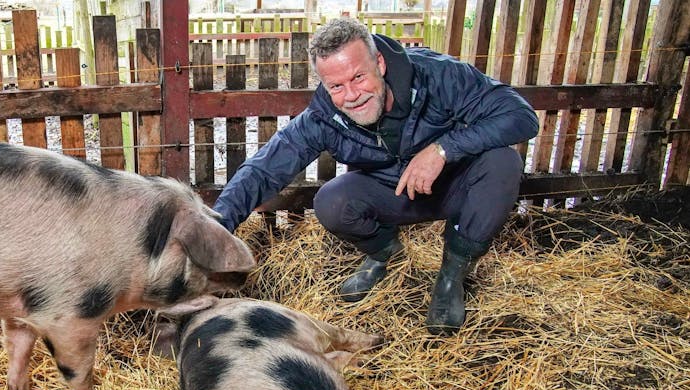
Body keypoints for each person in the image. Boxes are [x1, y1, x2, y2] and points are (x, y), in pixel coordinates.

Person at [212, 18, 539, 334]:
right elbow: (262, 171)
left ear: (379, 63)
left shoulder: (436, 75)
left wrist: (443, 149)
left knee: (503, 162)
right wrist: (214, 231)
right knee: (332, 201)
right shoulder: (323, 118)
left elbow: (521, 116)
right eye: (336, 86)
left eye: (358, 77)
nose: (352, 95)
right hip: (396, 196)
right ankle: (388, 258)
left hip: (455, 187)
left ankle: (452, 277)